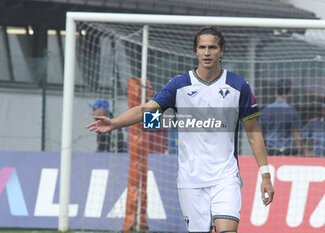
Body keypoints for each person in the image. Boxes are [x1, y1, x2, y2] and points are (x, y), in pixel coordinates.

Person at [87, 26, 274, 233]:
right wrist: (115, 123)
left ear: (222, 50)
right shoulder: (179, 85)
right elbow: (147, 110)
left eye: (212, 47)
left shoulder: (239, 86)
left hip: (225, 177)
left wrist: (265, 175)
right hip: (190, 180)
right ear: (195, 50)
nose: (206, 52)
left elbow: (253, 133)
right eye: (202, 47)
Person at [259, 79, 302, 156]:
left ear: (276, 92)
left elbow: (259, 133)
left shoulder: (265, 111)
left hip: (270, 152)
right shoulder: (292, 112)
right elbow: (296, 136)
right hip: (286, 153)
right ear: (289, 93)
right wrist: (302, 152)